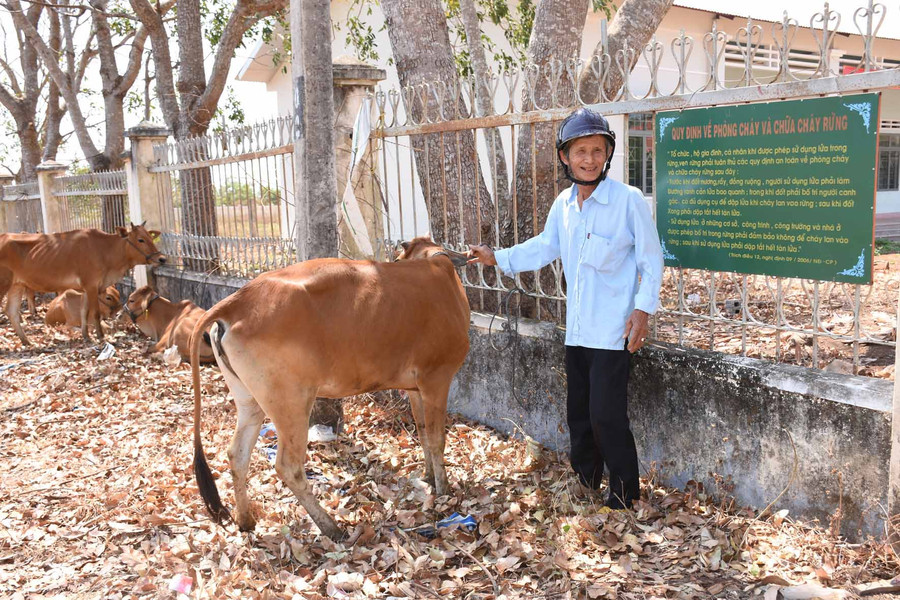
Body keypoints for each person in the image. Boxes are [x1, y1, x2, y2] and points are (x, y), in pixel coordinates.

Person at [467, 107, 664, 509]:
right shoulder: (565, 203)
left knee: (606, 416)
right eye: (580, 151)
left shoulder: (628, 201)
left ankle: (624, 495)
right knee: (580, 415)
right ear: (565, 157)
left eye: (597, 150)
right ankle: (586, 481)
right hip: (576, 331)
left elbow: (651, 261)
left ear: (607, 155)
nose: (589, 159)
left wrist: (642, 311)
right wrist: (496, 257)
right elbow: (544, 247)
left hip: (613, 332)